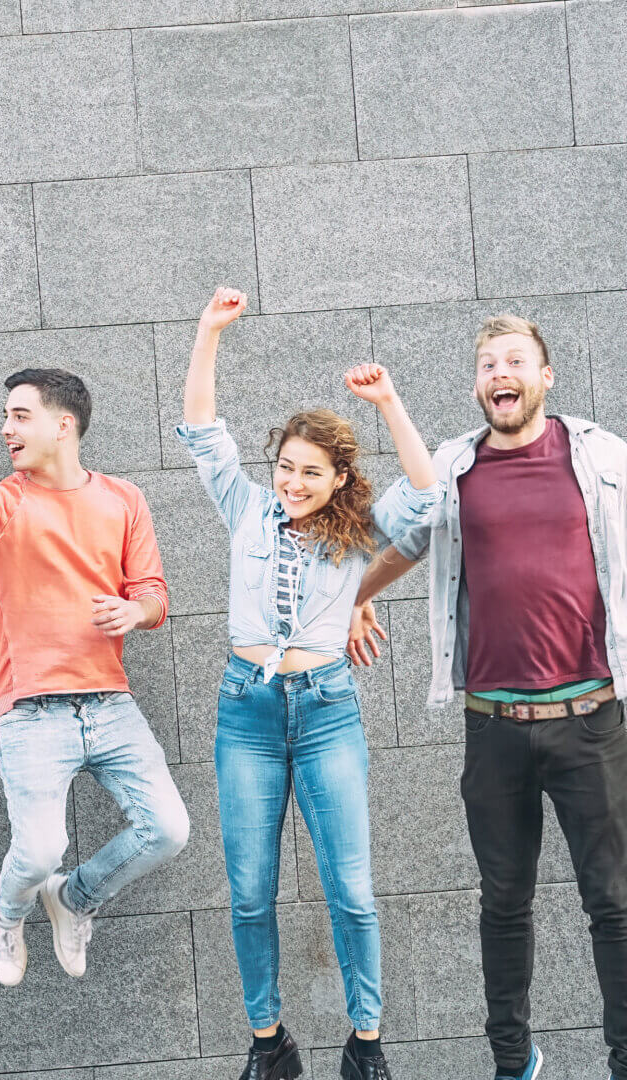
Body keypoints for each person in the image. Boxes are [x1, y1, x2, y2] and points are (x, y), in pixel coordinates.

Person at [350, 314, 627, 1080]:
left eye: (514, 361)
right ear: (479, 386)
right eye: (486, 364)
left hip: (592, 720)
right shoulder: (454, 467)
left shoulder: (601, 457)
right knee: (503, 903)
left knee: (615, 904)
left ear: (545, 377)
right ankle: (514, 1061)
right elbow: (407, 543)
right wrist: (349, 599)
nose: (499, 374)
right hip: (494, 724)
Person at [180, 288, 437, 1080]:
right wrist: (207, 334)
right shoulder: (248, 508)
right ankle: (269, 1042)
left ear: (336, 478)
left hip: (326, 708)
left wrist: (390, 402)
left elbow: (427, 496)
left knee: (351, 889)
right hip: (246, 708)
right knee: (250, 891)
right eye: (286, 467)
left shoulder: (359, 535)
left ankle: (366, 1042)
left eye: (310, 472)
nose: (293, 481)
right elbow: (202, 432)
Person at [0, 367, 188, 987]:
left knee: (169, 831)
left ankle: (74, 900)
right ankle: (9, 914)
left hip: (109, 703)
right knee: (39, 850)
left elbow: (154, 594)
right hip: (29, 710)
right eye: (7, 416)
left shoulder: (123, 498)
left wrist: (135, 611)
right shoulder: (8, 499)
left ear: (63, 424)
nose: (6, 428)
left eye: (20, 416)